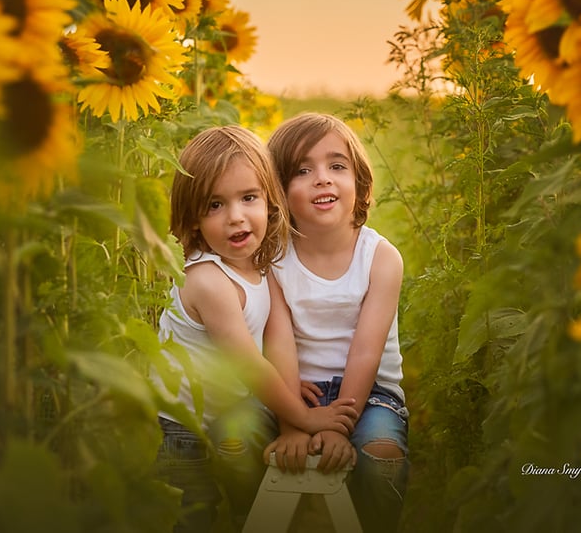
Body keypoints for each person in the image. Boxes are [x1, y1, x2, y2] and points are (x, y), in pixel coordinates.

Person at [152, 124, 358, 533]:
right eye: (214, 205)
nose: (236, 217)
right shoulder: (209, 281)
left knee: (252, 500)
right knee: (192, 512)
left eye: (249, 198)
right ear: (193, 216)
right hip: (187, 425)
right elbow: (248, 364)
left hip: (229, 410)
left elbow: (277, 339)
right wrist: (304, 417)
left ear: (270, 201)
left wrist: (288, 389)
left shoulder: (261, 267)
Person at [267, 113, 409, 533]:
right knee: (236, 442)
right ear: (277, 191)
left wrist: (339, 426)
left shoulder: (380, 258)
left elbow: (366, 350)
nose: (322, 179)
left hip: (369, 394)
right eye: (302, 170)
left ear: (360, 184)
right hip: (291, 386)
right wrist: (292, 421)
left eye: (336, 166)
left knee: (381, 456)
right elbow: (278, 343)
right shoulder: (273, 258)